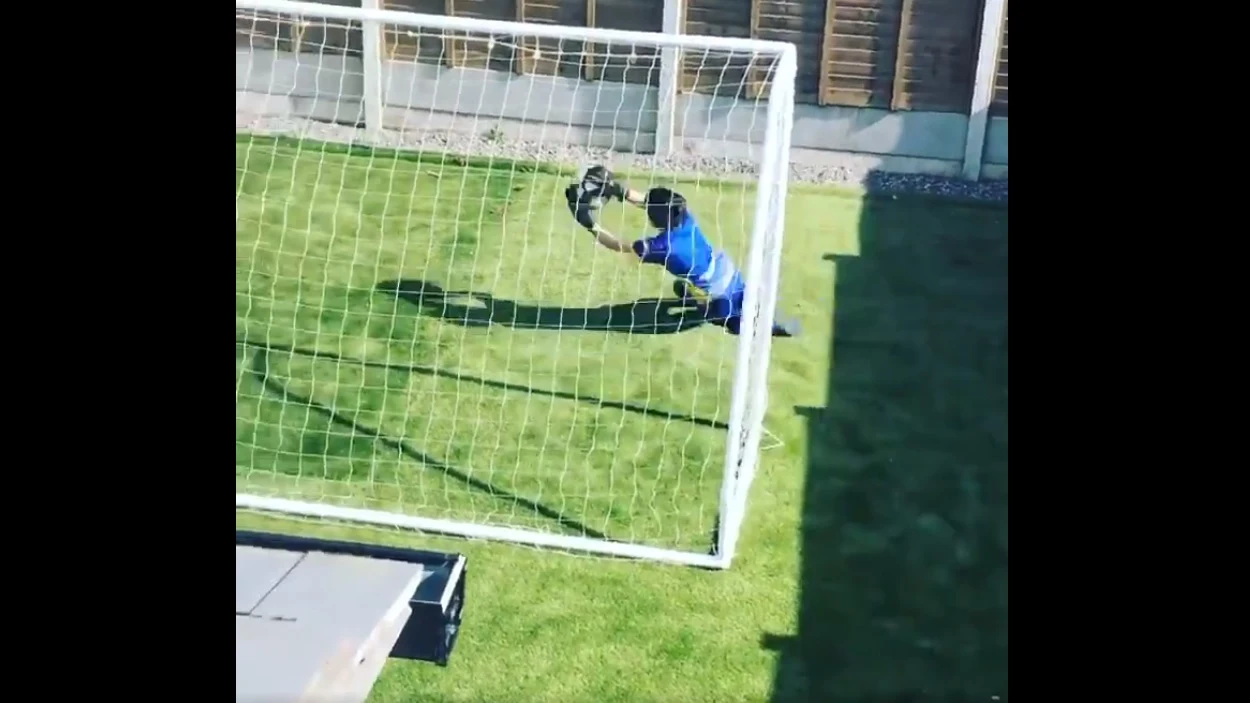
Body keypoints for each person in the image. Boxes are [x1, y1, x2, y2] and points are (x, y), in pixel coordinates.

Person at [565, 165, 800, 337]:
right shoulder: (684, 216)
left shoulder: (664, 247)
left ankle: (770, 328)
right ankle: (705, 299)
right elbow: (649, 201)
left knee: (733, 324)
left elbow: (621, 246)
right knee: (746, 297)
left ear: (656, 218)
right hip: (730, 272)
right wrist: (619, 191)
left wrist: (590, 225)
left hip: (719, 295)